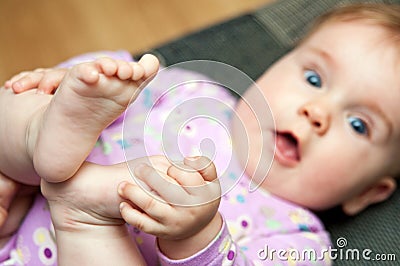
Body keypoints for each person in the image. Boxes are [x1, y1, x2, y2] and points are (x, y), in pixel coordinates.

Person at [1, 2, 400, 265]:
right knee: (21, 112)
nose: (317, 113)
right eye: (313, 78)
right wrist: (75, 83)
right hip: (18, 211)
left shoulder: (297, 240)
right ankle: (42, 132)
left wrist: (199, 238)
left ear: (368, 193)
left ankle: (86, 219)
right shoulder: (193, 93)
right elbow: (118, 78)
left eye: (359, 124)